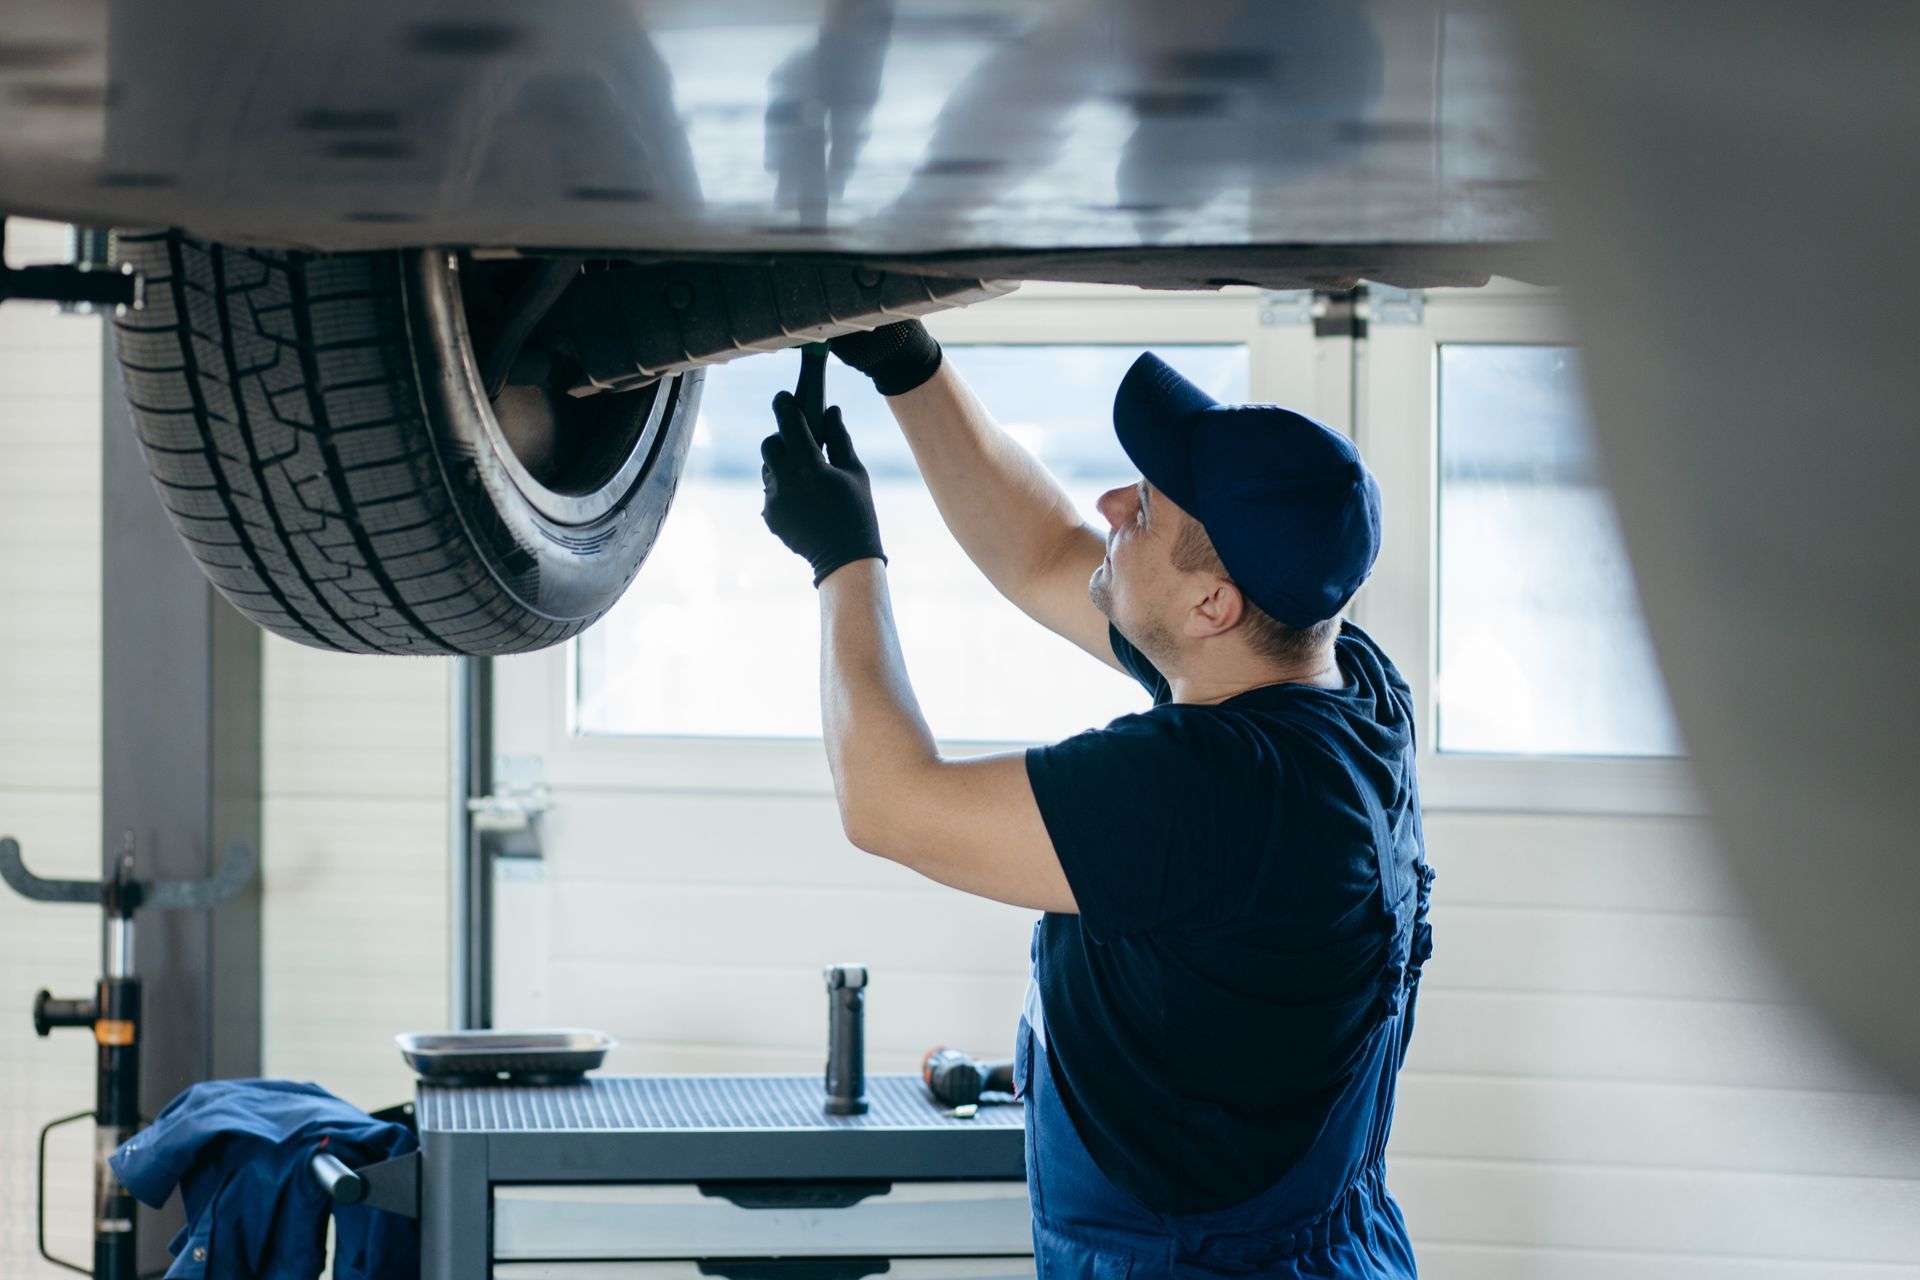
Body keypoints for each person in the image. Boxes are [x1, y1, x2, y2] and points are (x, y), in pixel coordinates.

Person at [758, 319, 1434, 1278]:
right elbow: (1044, 555)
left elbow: (888, 803)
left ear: (1213, 608)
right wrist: (910, 366)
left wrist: (842, 561)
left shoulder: (1207, 792)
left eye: (1148, 512)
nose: (1112, 502)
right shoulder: (1343, 685)